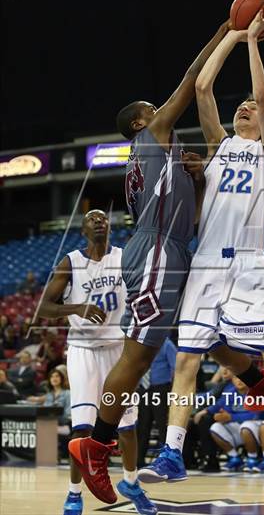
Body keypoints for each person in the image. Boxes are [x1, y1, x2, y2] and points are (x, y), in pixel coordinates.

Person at [68, 22, 264, 507]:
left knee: (195, 333)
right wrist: (227, 30)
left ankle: (254, 379)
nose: (160, 112)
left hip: (175, 248)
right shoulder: (153, 135)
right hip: (158, 250)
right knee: (138, 356)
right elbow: (193, 79)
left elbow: (197, 209)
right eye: (151, 110)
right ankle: (95, 444)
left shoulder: (171, 157)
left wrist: (201, 179)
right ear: (142, 122)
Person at [139, 9, 264, 493]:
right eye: (238, 107)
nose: (244, 108)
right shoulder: (218, 145)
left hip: (249, 265)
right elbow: (201, 89)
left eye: (250, 109)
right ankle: (174, 453)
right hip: (205, 263)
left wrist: (255, 44)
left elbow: (262, 94)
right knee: (186, 362)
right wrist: (234, 35)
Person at [38, 210, 143, 515]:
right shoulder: (71, 261)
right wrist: (78, 307)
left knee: (127, 426)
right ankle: (73, 494)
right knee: (82, 430)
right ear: (83, 230)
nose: (99, 221)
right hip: (83, 349)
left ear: (109, 227)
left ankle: (132, 483)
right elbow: (44, 307)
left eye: (103, 218)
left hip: (117, 348)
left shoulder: (125, 257)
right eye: (92, 219)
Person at [137, 337, 176, 468]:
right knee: (142, 426)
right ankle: (139, 460)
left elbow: (175, 367)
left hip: (161, 388)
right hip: (143, 388)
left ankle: (167, 460)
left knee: (162, 425)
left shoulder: (166, 344)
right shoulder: (140, 343)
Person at [209, 375, 259, 471]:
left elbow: (255, 416)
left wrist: (231, 417)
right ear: (232, 380)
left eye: (242, 378)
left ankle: (253, 458)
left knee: (246, 426)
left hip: (256, 429)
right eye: (236, 378)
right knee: (215, 427)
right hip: (238, 427)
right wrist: (220, 417)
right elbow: (226, 413)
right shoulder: (230, 393)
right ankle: (234, 457)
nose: (239, 381)